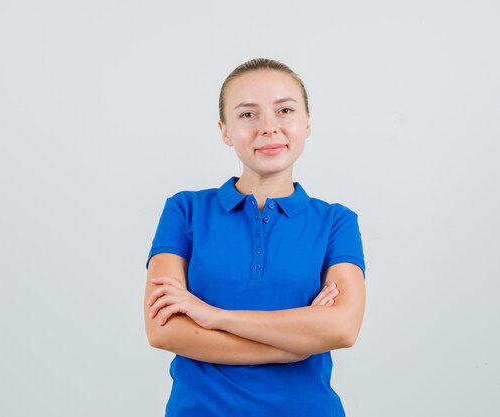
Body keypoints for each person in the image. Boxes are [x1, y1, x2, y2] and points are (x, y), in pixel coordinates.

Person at [144, 58, 366, 417]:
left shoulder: (336, 221)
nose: (269, 127)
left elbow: (342, 328)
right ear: (225, 131)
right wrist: (291, 346)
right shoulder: (185, 210)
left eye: (285, 110)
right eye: (248, 114)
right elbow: (163, 330)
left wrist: (215, 316)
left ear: (307, 123)